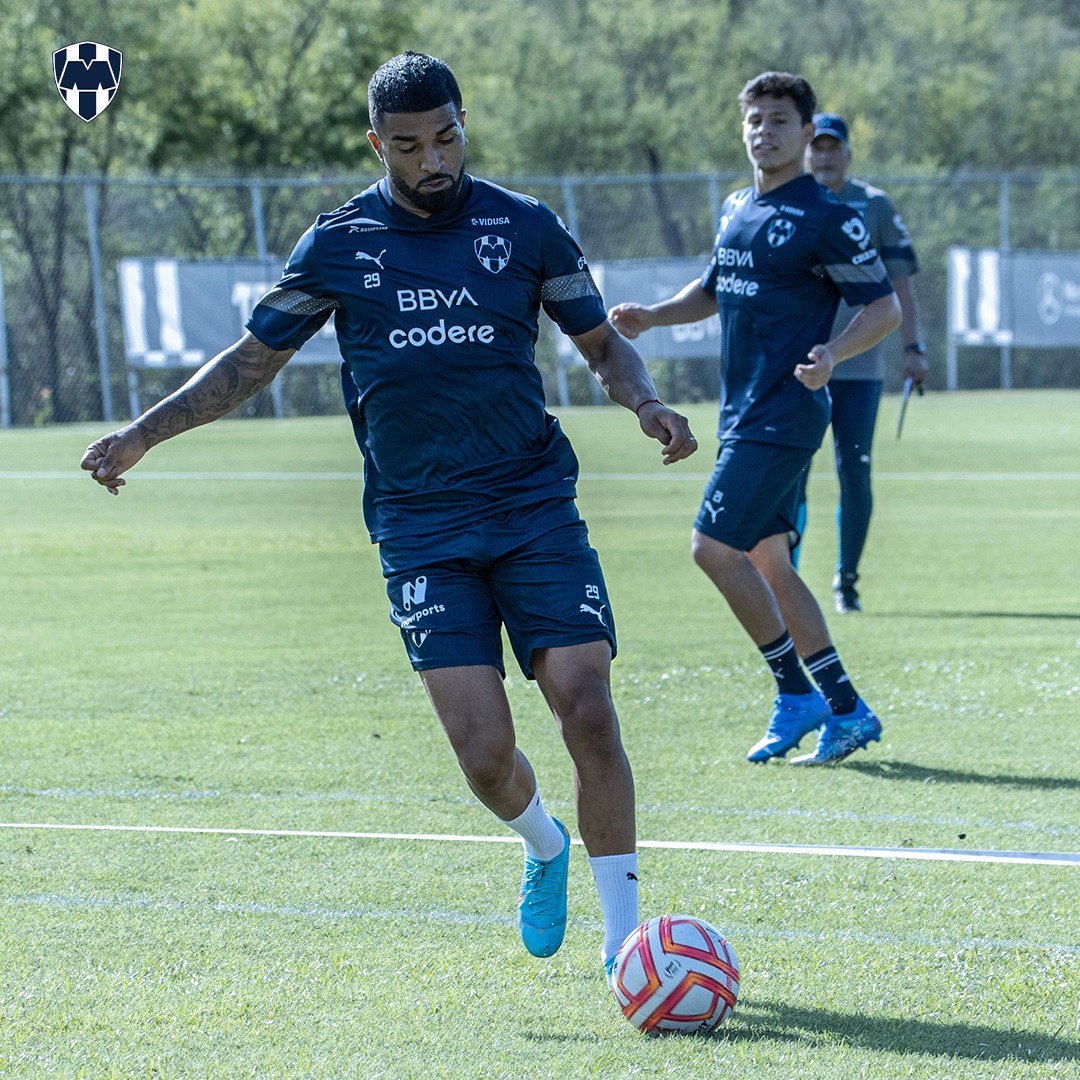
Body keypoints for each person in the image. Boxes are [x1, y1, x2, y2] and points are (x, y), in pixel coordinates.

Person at [81, 51, 698, 980]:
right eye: (408, 146)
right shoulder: (337, 245)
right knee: (487, 758)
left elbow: (603, 343)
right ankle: (542, 844)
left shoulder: (526, 228)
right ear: (379, 146)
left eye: (446, 137)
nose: (433, 160)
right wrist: (141, 434)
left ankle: (624, 949)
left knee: (589, 710)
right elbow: (250, 363)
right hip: (419, 529)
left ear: (462, 125)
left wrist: (644, 401)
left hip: (532, 505)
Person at [609, 71, 901, 766]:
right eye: (754, 120)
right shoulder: (738, 205)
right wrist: (653, 315)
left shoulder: (829, 216)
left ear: (806, 133)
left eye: (778, 120)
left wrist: (833, 352)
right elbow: (714, 288)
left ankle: (795, 692)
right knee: (770, 563)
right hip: (745, 411)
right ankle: (847, 709)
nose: (763, 131)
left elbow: (883, 307)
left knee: (710, 546)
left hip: (785, 411)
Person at [792, 112, 928, 613]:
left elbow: (900, 286)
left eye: (833, 146)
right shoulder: (792, 200)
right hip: (802, 366)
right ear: (806, 150)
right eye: (817, 146)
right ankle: (788, 576)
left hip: (858, 367)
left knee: (855, 469)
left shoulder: (874, 205)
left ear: (848, 152)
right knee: (792, 473)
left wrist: (914, 348)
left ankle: (846, 582)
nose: (824, 155)